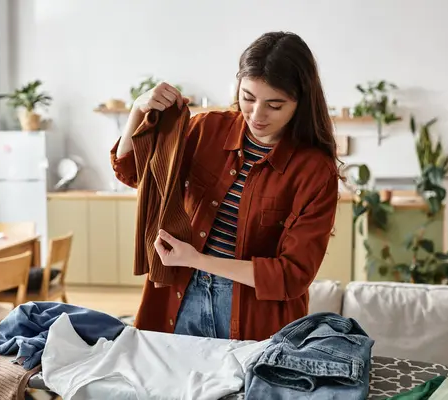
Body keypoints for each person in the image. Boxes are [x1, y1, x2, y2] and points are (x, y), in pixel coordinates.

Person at [110, 31, 340, 341]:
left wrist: (196, 259)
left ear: (301, 102)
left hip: (256, 318)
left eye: (274, 105)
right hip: (178, 297)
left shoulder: (314, 170)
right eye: (248, 98)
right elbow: (132, 173)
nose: (257, 115)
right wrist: (138, 109)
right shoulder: (207, 129)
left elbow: (292, 276)